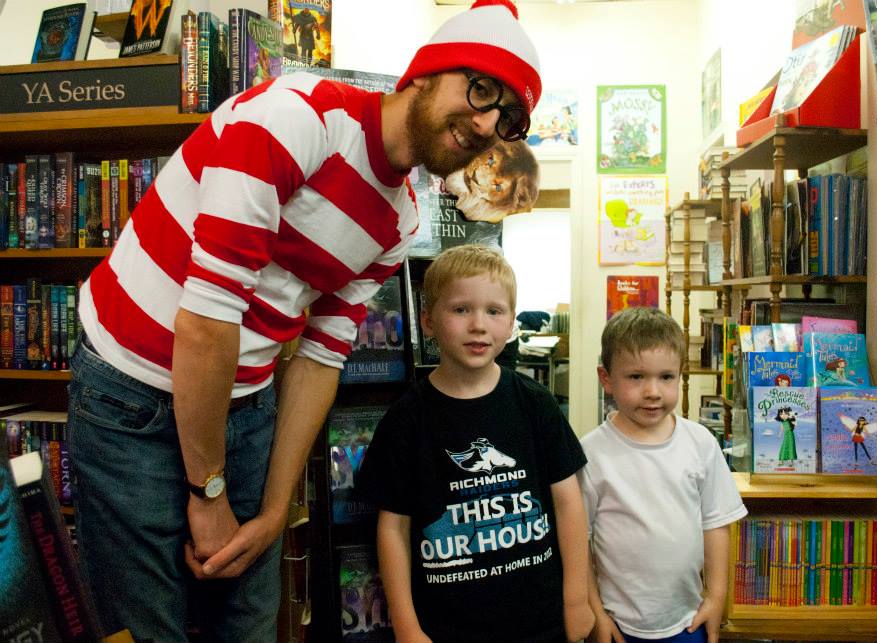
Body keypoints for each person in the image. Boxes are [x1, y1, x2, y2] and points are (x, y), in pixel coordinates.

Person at [66, 0, 543, 640]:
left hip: (247, 400)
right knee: (145, 627)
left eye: (507, 116)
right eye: (480, 89)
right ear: (424, 74)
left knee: (251, 625)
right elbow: (207, 318)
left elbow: (322, 357)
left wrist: (271, 511)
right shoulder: (298, 118)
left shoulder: (399, 220)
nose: (486, 122)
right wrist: (209, 494)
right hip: (132, 391)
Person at [357, 245, 594, 643]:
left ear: (511, 323)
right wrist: (407, 627)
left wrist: (576, 599)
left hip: (541, 621)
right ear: (428, 321)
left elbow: (568, 502)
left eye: (494, 311)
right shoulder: (406, 420)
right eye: (461, 309)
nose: (478, 325)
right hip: (447, 627)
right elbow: (393, 528)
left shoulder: (535, 403)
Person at [579, 307, 747, 643]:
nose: (653, 391)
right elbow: (577, 541)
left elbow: (716, 524)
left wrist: (715, 599)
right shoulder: (589, 453)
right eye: (637, 377)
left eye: (666, 377)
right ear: (606, 378)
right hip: (617, 625)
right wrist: (595, 611)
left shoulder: (700, 442)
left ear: (680, 375)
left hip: (687, 619)